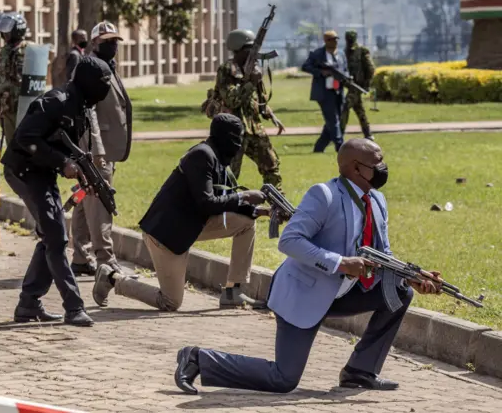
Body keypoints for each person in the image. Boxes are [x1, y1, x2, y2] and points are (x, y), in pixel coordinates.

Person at [174, 138, 444, 395]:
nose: (383, 168)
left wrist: (411, 276)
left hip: (343, 293)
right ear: (355, 168)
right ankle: (198, 359)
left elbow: (381, 252)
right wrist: (340, 262)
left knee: (398, 292)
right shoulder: (324, 195)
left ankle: (360, 371)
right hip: (304, 294)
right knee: (283, 379)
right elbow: (290, 241)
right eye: (377, 163)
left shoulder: (376, 200)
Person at [92, 114, 275, 311]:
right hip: (166, 233)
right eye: (237, 139)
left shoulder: (216, 158)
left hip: (191, 225)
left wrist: (261, 211)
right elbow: (208, 203)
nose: (239, 145)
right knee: (170, 301)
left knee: (246, 223)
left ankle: (233, 291)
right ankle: (112, 278)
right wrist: (244, 196)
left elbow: (222, 200)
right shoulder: (202, 156)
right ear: (226, 138)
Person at [1, 56, 113, 327]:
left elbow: (67, 146)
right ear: (88, 83)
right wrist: (63, 163)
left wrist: (83, 174)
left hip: (43, 172)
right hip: (23, 170)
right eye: (102, 84)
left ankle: (29, 303)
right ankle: (74, 307)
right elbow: (24, 138)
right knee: (56, 236)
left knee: (52, 237)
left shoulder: (82, 106)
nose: (105, 89)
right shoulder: (56, 102)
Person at [70, 21, 132, 277]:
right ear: (94, 42)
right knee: (101, 201)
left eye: (115, 41)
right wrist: (96, 153)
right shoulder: (91, 68)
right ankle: (106, 260)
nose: (113, 45)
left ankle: (81, 257)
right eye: (107, 41)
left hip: (102, 148)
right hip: (97, 150)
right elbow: (89, 110)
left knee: (85, 201)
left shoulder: (108, 67)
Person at [214, 29, 283, 190]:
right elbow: (232, 100)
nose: (256, 54)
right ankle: (222, 209)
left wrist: (271, 115)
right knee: (229, 174)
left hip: (254, 129)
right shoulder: (226, 70)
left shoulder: (253, 70)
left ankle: (278, 205)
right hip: (233, 131)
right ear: (238, 50)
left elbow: (259, 100)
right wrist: (250, 82)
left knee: (271, 166)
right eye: (250, 50)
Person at [302, 31, 348, 153]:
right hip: (324, 92)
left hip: (338, 90)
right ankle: (341, 147)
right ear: (326, 41)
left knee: (334, 120)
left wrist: (346, 77)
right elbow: (305, 66)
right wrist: (321, 72)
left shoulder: (341, 54)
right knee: (333, 120)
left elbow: (345, 70)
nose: (335, 42)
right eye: (332, 39)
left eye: (336, 39)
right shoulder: (317, 54)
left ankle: (319, 147)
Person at [0, 12, 30, 146]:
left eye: (7, 32)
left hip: (24, 108)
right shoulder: (4, 52)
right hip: (7, 107)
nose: (4, 35)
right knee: (11, 146)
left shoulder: (28, 50)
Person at [341, 30, 375, 140]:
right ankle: (368, 133)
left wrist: (366, 83)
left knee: (345, 108)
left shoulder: (362, 51)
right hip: (350, 85)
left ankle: (339, 135)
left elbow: (370, 68)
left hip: (358, 85)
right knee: (359, 109)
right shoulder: (345, 52)